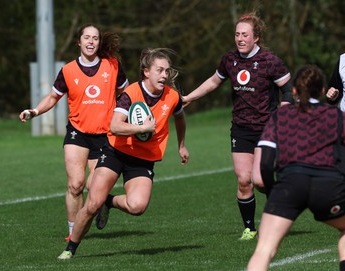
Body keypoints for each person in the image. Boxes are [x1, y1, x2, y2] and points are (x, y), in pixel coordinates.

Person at [57, 47, 189, 259]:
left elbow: (180, 118)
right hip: (115, 152)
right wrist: (141, 128)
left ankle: (108, 202)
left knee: (137, 206)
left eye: (167, 71)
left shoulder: (172, 97)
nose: (164, 75)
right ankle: (70, 249)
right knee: (91, 204)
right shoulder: (131, 93)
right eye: (160, 70)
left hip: (143, 160)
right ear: (146, 72)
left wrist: (181, 145)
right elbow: (116, 126)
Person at [181, 12, 293, 240]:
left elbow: (288, 89)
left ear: (256, 37)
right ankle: (250, 228)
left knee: (260, 181)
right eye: (237, 34)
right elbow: (213, 81)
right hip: (241, 129)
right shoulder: (229, 59)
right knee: (244, 180)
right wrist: (188, 98)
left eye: (245, 34)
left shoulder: (270, 61)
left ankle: (282, 203)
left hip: (267, 128)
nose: (240, 38)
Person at [19, 24, 129, 241]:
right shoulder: (68, 70)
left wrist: (127, 118)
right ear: (78, 42)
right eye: (86, 37)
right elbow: (52, 97)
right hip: (77, 133)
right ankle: (73, 232)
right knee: (75, 184)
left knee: (94, 189)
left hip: (105, 135)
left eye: (95, 38)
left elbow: (127, 93)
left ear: (99, 43)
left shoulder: (112, 66)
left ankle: (105, 203)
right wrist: (34, 111)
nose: (91, 41)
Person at [246, 65, 345, 271]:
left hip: (289, 184)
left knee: (264, 249)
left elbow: (265, 163)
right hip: (328, 186)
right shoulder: (337, 116)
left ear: (293, 91)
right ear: (322, 90)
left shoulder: (280, 116)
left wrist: (274, 193)